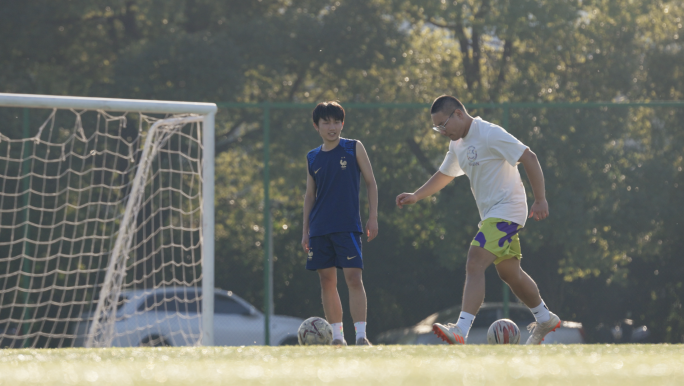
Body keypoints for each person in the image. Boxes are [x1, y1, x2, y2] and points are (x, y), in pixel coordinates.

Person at [395, 95, 561, 345]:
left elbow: (529, 156)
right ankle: (545, 317)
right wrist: (417, 195)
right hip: (493, 216)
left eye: (443, 124)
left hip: (507, 211)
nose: (441, 131)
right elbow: (444, 174)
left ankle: (461, 329)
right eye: (437, 127)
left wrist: (540, 199)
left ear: (459, 114)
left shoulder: (489, 133)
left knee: (475, 261)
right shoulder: (458, 144)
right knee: (510, 274)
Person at [302, 101, 379, 346]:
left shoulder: (354, 147)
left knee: (354, 278)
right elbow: (310, 195)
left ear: (342, 123)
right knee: (327, 281)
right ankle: (337, 337)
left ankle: (361, 336)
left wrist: (373, 216)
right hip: (320, 229)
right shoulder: (312, 157)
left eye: (336, 121)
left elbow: (371, 183)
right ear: (317, 126)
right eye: (326, 122)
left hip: (347, 226)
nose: (332, 127)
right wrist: (305, 231)